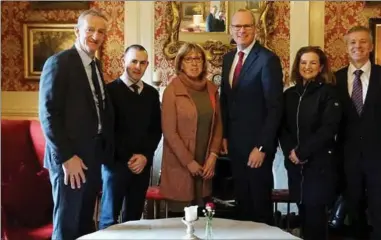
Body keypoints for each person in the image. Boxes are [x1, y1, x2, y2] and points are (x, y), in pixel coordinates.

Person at [38, 9, 114, 240]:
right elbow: (48, 114)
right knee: (66, 226)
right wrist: (67, 157)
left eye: (101, 31)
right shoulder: (59, 63)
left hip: (92, 157)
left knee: (84, 224)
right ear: (77, 30)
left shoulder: (96, 65)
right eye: (90, 29)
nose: (95, 35)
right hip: (69, 160)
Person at [335, 26, 381, 240]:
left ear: (371, 46)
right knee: (354, 209)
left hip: (379, 157)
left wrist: (378, 139)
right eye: (353, 42)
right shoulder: (334, 79)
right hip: (347, 156)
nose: (358, 46)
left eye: (363, 41)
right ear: (346, 47)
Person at [220, 9, 284, 225]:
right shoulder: (228, 59)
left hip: (257, 148)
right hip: (235, 146)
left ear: (255, 29)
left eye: (247, 26)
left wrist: (262, 147)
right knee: (242, 205)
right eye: (237, 26)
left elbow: (275, 107)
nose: (242, 30)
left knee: (259, 206)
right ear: (231, 30)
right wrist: (224, 136)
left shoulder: (268, 60)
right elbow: (226, 101)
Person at [279, 46, 341, 239]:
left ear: (321, 66)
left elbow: (328, 129)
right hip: (295, 166)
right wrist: (291, 151)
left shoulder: (330, 92)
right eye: (303, 62)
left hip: (319, 165)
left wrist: (302, 152)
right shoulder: (289, 95)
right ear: (297, 66)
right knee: (303, 213)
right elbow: (282, 128)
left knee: (316, 218)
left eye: (313, 62)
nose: (308, 66)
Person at [98, 45, 162, 229]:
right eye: (133, 61)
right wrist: (128, 158)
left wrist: (145, 156)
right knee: (109, 218)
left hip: (141, 165)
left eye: (142, 63)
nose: (137, 66)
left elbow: (155, 130)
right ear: (123, 61)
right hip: (115, 164)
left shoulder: (151, 93)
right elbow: (107, 130)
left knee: (133, 219)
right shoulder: (109, 91)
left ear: (147, 65)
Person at [160, 43, 223, 212]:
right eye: (189, 59)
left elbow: (218, 126)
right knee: (179, 223)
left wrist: (213, 156)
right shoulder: (172, 90)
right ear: (180, 63)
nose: (194, 63)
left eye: (198, 59)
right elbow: (169, 132)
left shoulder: (211, 89)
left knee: (203, 221)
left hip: (205, 165)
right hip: (181, 165)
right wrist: (189, 162)